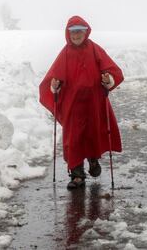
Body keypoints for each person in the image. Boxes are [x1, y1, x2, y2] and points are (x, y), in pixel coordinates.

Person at [39, 16, 124, 189]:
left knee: (93, 133)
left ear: (86, 32)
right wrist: (55, 86)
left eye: (79, 31)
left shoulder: (94, 49)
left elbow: (113, 70)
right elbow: (53, 79)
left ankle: (93, 162)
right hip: (73, 105)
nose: (76, 35)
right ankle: (77, 175)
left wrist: (108, 79)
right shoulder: (65, 53)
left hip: (94, 102)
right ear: (68, 34)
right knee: (74, 138)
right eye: (73, 32)